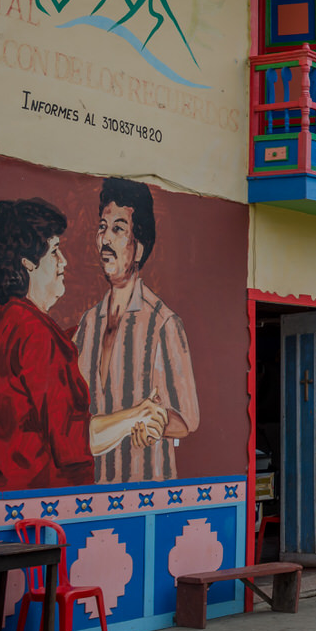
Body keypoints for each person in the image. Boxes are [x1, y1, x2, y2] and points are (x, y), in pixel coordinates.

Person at [0, 198, 126, 491]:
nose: (64, 263)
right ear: (28, 263)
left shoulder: (14, 320)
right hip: (45, 503)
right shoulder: (34, 333)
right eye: (55, 252)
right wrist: (137, 415)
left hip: (14, 494)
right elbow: (72, 441)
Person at [74, 178, 200, 483]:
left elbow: (188, 418)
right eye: (102, 227)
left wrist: (157, 423)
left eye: (118, 229)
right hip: (90, 492)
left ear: (139, 246)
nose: (105, 239)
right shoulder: (88, 324)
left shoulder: (163, 323)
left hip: (145, 493)